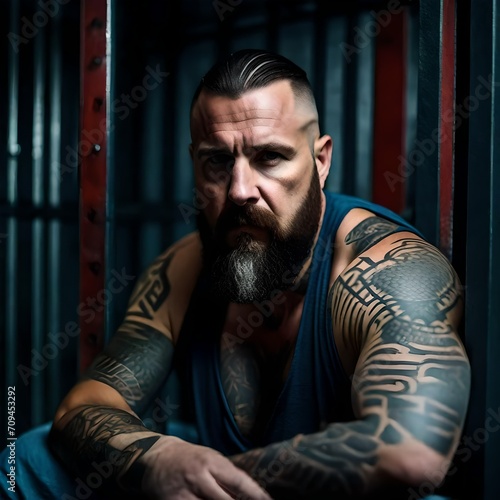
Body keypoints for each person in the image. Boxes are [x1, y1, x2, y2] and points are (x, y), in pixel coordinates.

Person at [0, 48, 470, 500]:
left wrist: (203, 478)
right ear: (194, 163)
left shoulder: (387, 272)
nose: (241, 190)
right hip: (216, 468)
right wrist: (158, 461)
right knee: (26, 458)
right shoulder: (183, 270)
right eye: (218, 162)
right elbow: (83, 407)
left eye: (270, 157)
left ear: (321, 161)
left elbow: (411, 454)